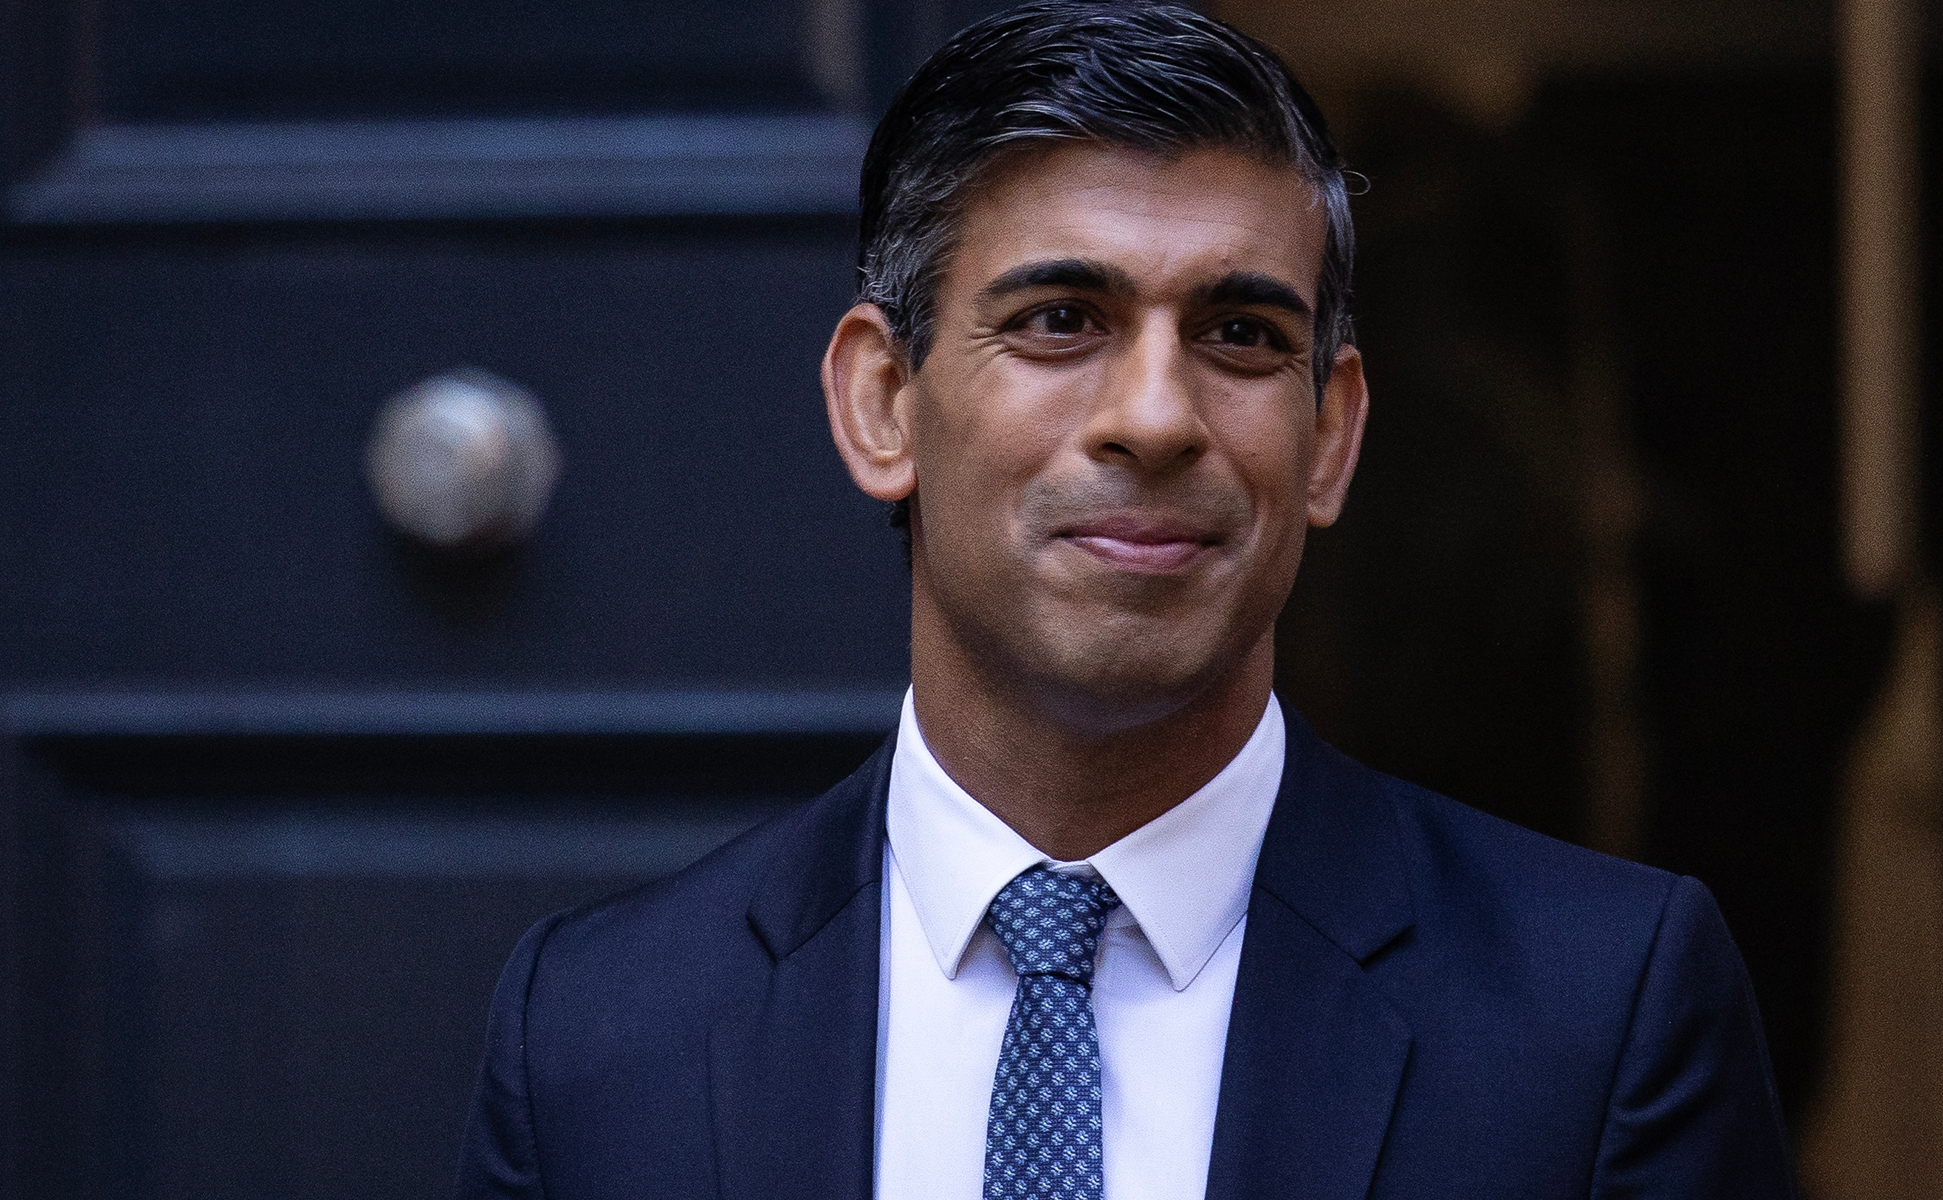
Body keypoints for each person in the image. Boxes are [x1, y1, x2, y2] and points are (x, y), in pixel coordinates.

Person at [457, 4, 1797, 1197]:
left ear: (1330, 438)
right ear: (881, 404)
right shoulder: (599, 1039)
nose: (1156, 417)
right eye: (1059, 320)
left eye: (1241, 336)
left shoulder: (1597, 1018)